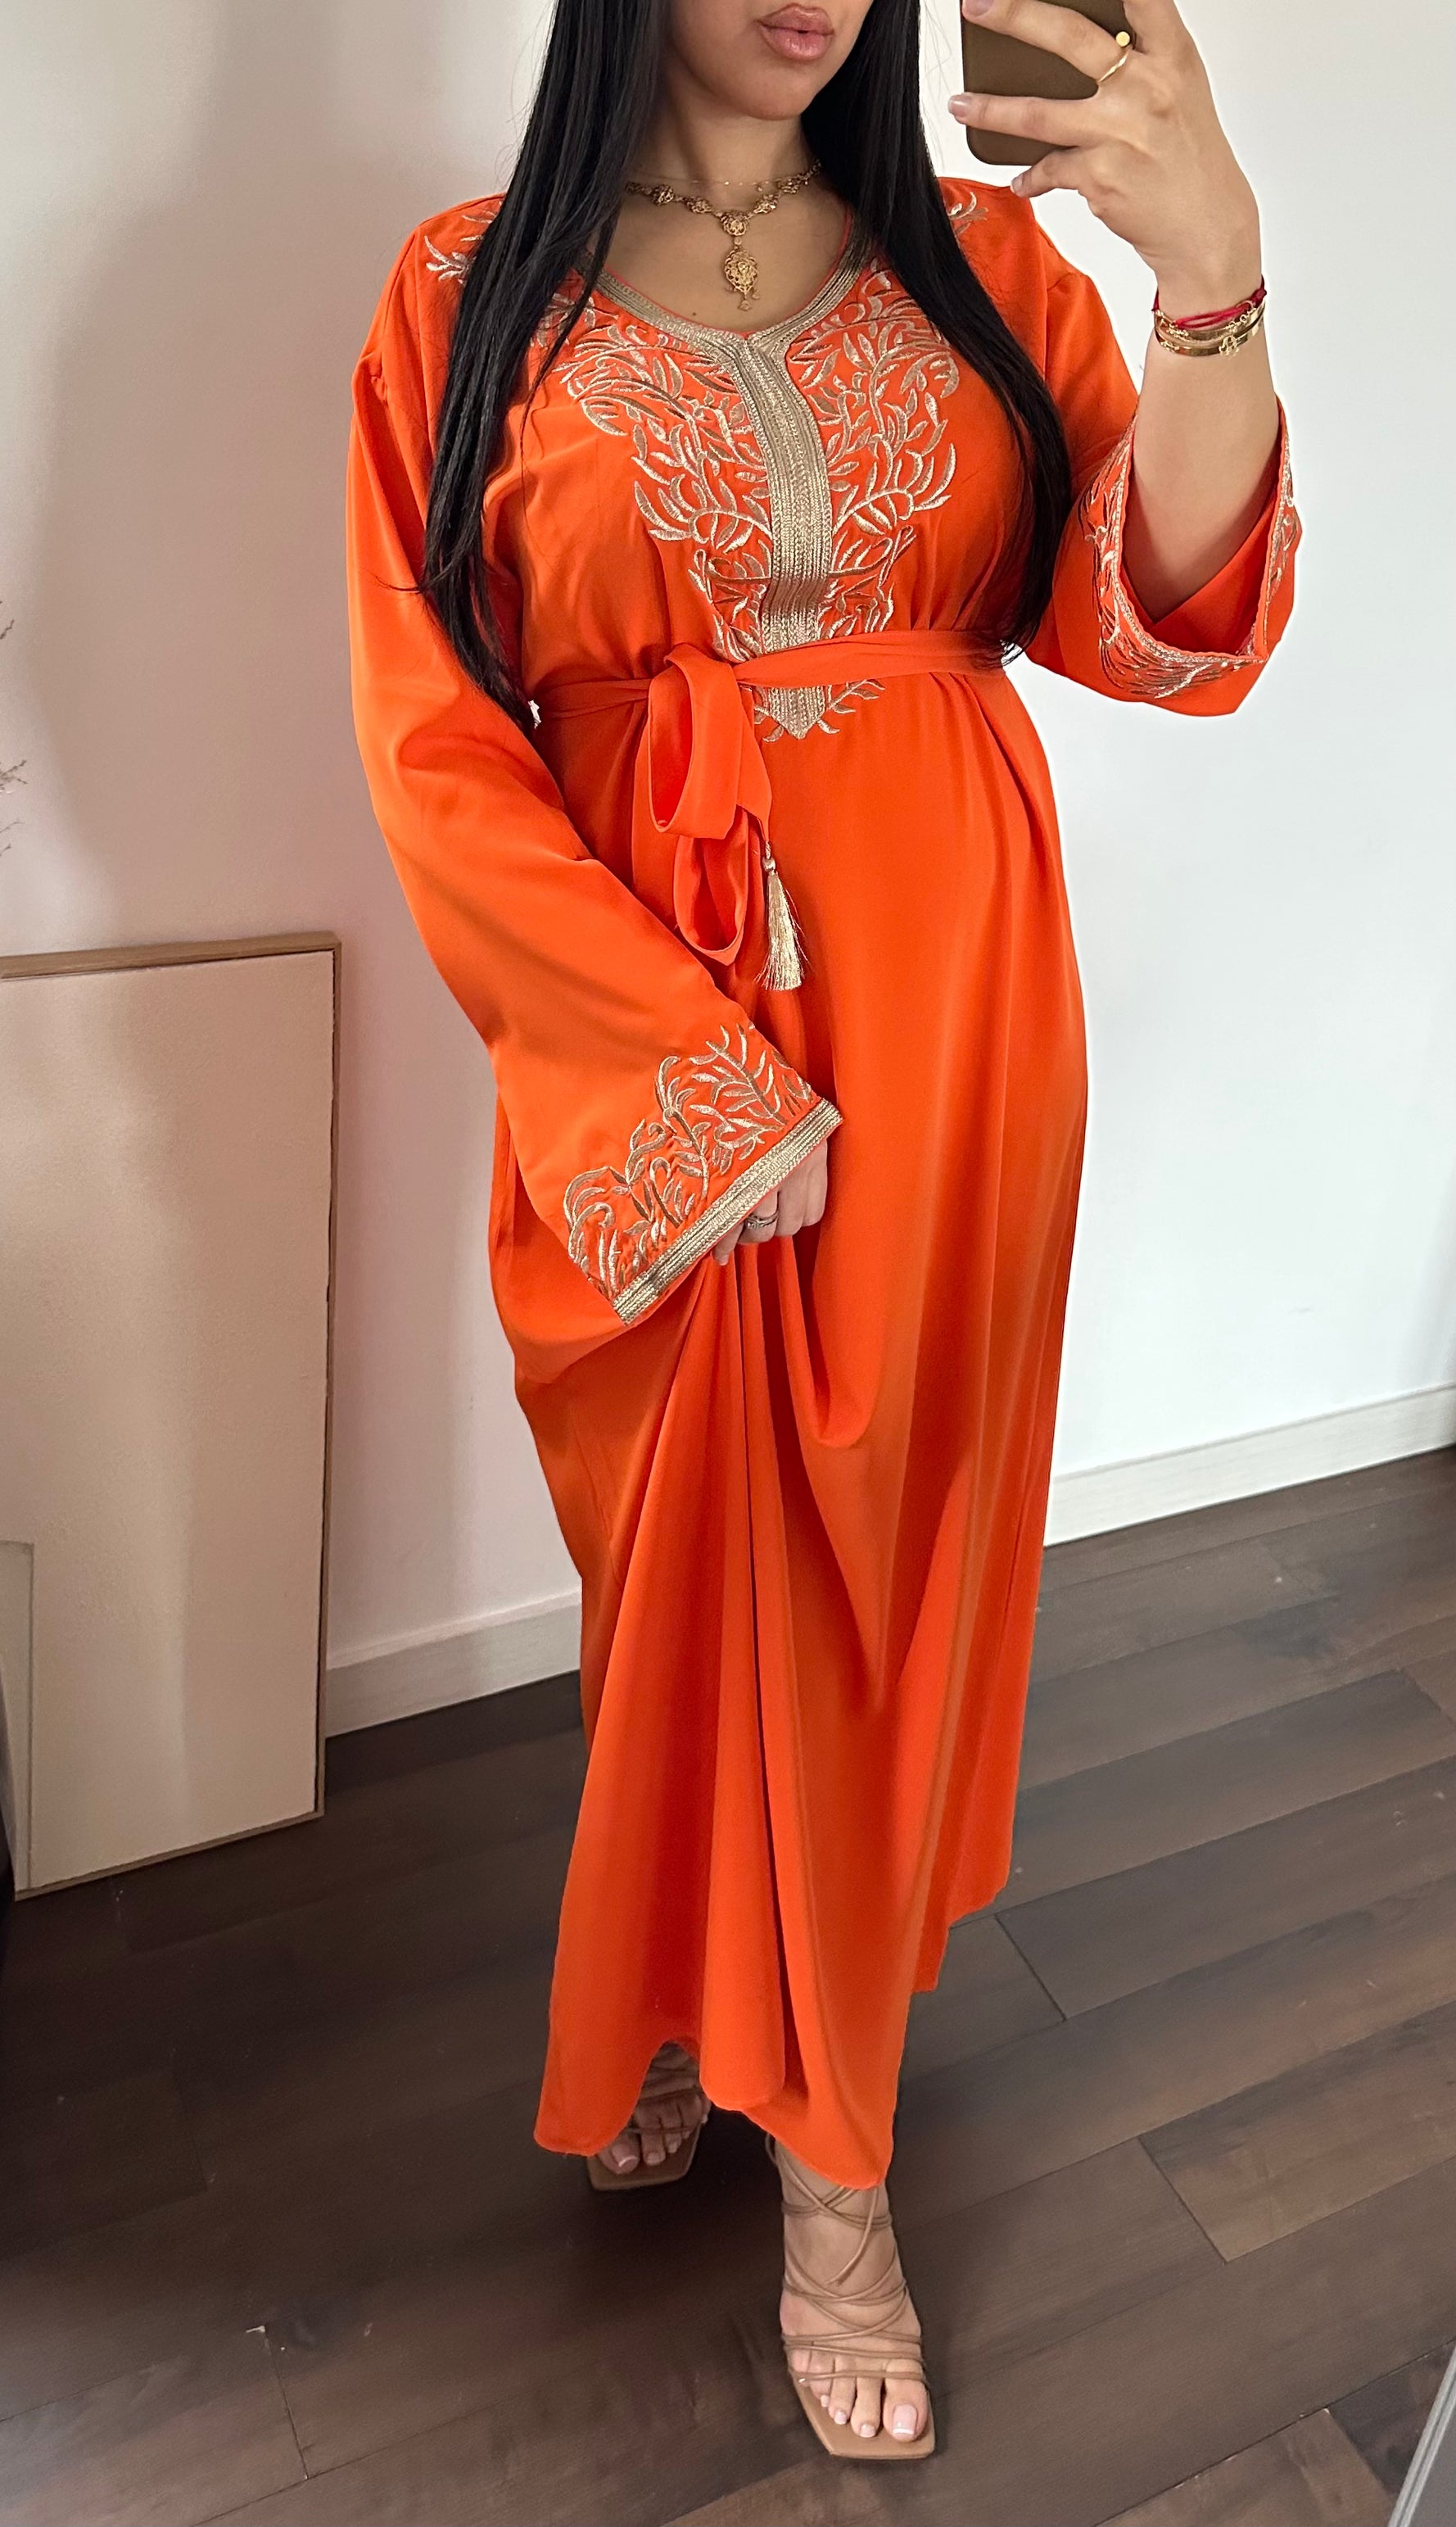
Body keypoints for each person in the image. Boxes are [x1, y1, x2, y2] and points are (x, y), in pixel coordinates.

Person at [346, 0, 1295, 2461]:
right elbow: (437, 743)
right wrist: (675, 1073)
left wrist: (1211, 282)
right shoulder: (463, 299)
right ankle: (690, 1977)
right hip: (654, 1028)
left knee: (885, 1560)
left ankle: (834, 2158)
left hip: (953, 1016)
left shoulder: (986, 267)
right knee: (686, 1568)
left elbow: (1157, 620)